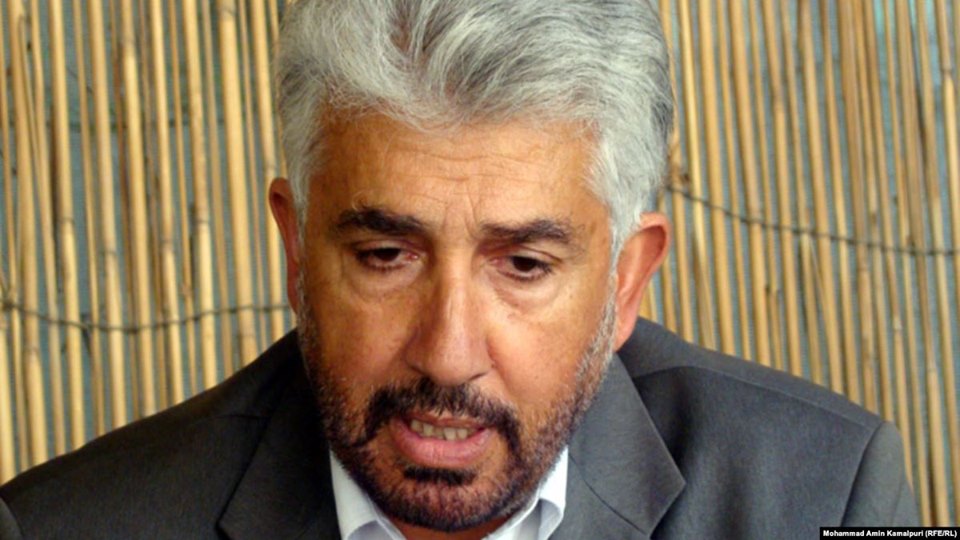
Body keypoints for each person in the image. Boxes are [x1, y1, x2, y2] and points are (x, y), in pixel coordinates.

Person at [0, 0, 918, 538]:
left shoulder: (834, 495)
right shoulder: (62, 529)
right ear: (296, 249)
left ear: (626, 280)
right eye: (385, 256)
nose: (447, 354)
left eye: (523, 264)